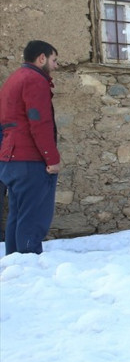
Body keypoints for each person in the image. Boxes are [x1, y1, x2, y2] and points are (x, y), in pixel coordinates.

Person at [0, 40, 61, 255]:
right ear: (41, 58)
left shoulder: (14, 79)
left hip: (11, 158)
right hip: (29, 160)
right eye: (54, 60)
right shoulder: (35, 79)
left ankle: (16, 263)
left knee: (18, 215)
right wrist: (52, 159)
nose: (56, 66)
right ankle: (29, 263)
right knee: (34, 217)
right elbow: (39, 122)